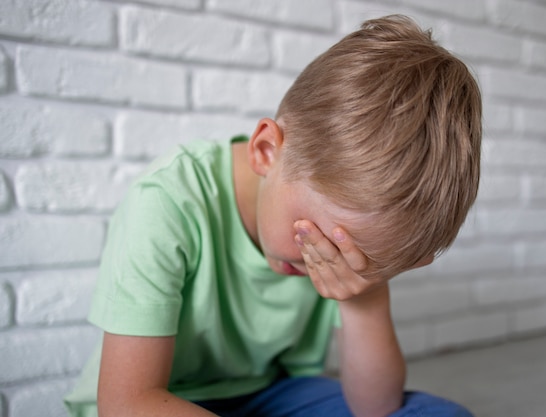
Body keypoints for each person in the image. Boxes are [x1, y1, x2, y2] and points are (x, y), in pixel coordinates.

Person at [64, 14, 481, 417]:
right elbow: (126, 403)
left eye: (360, 260)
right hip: (158, 400)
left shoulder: (341, 250)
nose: (326, 262)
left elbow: (376, 407)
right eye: (316, 239)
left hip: (269, 392)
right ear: (266, 151)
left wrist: (365, 296)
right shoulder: (168, 200)